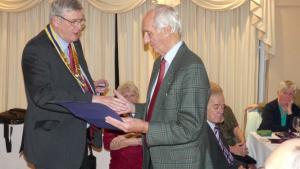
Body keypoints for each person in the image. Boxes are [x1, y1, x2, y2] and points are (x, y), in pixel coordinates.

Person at [21, 0, 127, 169]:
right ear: (56, 21)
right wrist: (92, 99)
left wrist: (90, 86)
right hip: (53, 143)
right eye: (74, 22)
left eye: (81, 21)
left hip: (78, 138)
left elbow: (67, 80)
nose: (79, 27)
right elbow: (43, 95)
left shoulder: (73, 42)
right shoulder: (36, 49)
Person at [106, 4, 212, 169]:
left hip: (180, 163)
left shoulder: (192, 66)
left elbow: (190, 128)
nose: (145, 40)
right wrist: (132, 107)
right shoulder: (159, 63)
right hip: (154, 159)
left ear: (168, 29)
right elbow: (159, 109)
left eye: (149, 33)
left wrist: (143, 127)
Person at [103, 81, 143, 169]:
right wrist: (136, 141)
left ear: (137, 97)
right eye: (125, 96)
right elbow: (108, 144)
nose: (129, 99)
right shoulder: (113, 116)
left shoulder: (145, 114)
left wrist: (125, 139)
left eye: (132, 95)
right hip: (119, 165)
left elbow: (152, 138)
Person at [206, 82, 246, 169]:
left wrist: (239, 166)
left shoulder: (216, 128)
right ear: (204, 106)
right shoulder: (203, 135)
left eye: (223, 106)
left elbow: (228, 157)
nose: (221, 111)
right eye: (216, 107)